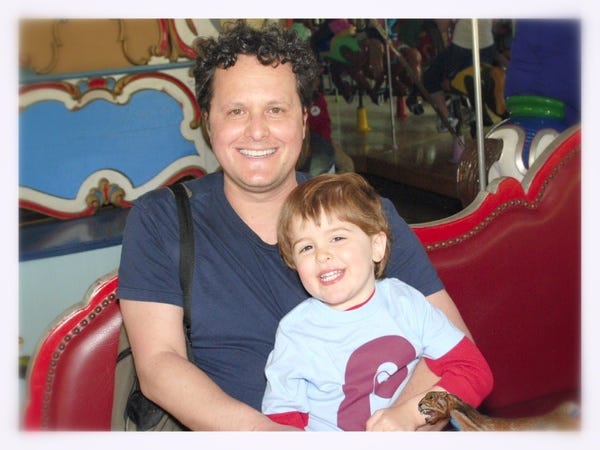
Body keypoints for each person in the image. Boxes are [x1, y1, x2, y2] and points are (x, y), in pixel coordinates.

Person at [117, 20, 473, 431]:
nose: (257, 130)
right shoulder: (161, 220)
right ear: (208, 122)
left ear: (303, 121)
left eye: (276, 109)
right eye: (236, 111)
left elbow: (460, 357)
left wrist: (409, 422)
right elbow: (160, 364)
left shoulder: (365, 214)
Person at [262, 173, 493, 431]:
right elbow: (283, 423)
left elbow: (473, 371)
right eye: (306, 247)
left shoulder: (407, 304)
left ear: (377, 246)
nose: (322, 255)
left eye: (337, 238)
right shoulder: (295, 333)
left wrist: (413, 414)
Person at [422, 19, 507, 132]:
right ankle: (475, 108)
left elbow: (443, 25)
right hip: (488, 48)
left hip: (462, 49)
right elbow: (496, 21)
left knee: (430, 77)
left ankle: (446, 118)